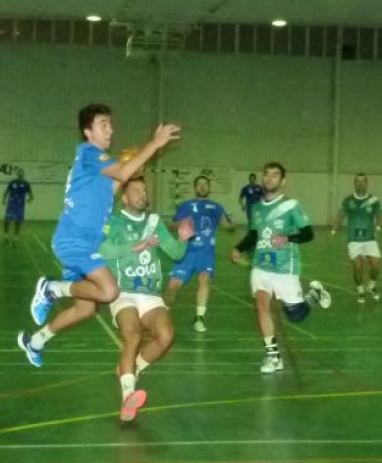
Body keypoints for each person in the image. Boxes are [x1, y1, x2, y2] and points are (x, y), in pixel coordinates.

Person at [17, 103, 181, 368]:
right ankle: (52, 289)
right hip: (74, 241)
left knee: (85, 308)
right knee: (108, 291)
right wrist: (155, 143)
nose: (111, 129)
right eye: (104, 124)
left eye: (110, 124)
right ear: (88, 131)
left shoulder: (98, 171)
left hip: (84, 243)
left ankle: (35, 341)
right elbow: (124, 173)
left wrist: (136, 159)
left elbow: (120, 179)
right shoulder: (89, 152)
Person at [99, 177, 196, 421]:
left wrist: (184, 239)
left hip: (150, 294)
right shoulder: (113, 221)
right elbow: (102, 251)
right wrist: (135, 246)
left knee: (166, 336)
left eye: (144, 190)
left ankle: (133, 367)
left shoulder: (154, 222)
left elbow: (175, 254)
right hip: (123, 292)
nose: (142, 195)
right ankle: (128, 396)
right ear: (124, 197)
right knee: (133, 334)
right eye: (136, 191)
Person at [230, 162, 332, 374]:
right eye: (266, 175)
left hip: (285, 266)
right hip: (261, 266)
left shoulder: (291, 205)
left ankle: (314, 294)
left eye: (275, 175)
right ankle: (273, 356)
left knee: (296, 315)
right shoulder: (256, 207)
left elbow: (308, 233)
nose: (269, 179)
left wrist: (287, 237)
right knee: (261, 306)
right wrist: (239, 248)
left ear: (282, 181)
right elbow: (254, 235)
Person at [165, 174, 236, 332]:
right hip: (186, 251)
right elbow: (171, 225)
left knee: (204, 281)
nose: (203, 187)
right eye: (200, 184)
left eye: (205, 184)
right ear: (195, 187)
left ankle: (199, 318)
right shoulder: (185, 205)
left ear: (209, 188)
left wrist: (230, 225)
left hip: (206, 252)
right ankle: (163, 316)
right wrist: (180, 224)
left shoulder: (216, 207)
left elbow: (228, 227)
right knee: (172, 286)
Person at [331, 173, 382, 304]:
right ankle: (360, 290)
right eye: (358, 181)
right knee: (357, 266)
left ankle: (371, 285)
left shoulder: (374, 200)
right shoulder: (348, 200)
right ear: (354, 183)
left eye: (363, 181)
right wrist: (334, 229)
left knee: (376, 265)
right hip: (353, 239)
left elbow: (380, 216)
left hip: (370, 238)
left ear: (367, 183)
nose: (360, 183)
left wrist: (379, 226)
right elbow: (340, 215)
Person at [2, 169, 34, 244]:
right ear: (17, 174)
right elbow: (6, 192)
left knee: (18, 221)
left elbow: (31, 195)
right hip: (11, 204)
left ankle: (16, 237)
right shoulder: (12, 182)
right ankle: (6, 235)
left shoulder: (26, 184)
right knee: (7, 220)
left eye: (22, 173)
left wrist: (30, 199)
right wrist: (3, 199)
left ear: (24, 174)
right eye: (19, 173)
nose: (20, 174)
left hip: (19, 205)